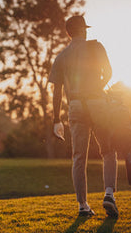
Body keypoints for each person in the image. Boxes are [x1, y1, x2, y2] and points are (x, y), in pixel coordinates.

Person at [48, 15, 119, 218]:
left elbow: (57, 92)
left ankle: (83, 206)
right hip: (97, 101)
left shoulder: (61, 56)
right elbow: (109, 72)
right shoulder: (96, 47)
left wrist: (56, 120)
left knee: (79, 157)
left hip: (76, 105)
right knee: (108, 149)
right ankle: (108, 194)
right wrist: (97, 86)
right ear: (84, 30)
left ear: (69, 33)